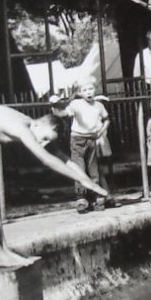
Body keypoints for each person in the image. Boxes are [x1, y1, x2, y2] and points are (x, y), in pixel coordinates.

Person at [0, 103, 109, 268]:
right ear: (38, 124)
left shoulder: (37, 128)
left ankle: (2, 250)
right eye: (44, 138)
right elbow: (46, 159)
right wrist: (81, 181)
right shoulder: (23, 129)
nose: (44, 143)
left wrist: (87, 180)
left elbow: (63, 158)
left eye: (48, 141)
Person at [51, 79, 110, 213]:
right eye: (84, 90)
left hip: (92, 138)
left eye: (90, 89)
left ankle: (95, 196)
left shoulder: (99, 105)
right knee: (79, 167)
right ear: (79, 93)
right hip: (78, 138)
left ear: (95, 89)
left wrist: (101, 131)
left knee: (93, 167)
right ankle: (81, 197)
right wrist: (55, 105)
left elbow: (106, 119)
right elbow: (64, 114)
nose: (88, 92)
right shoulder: (76, 104)